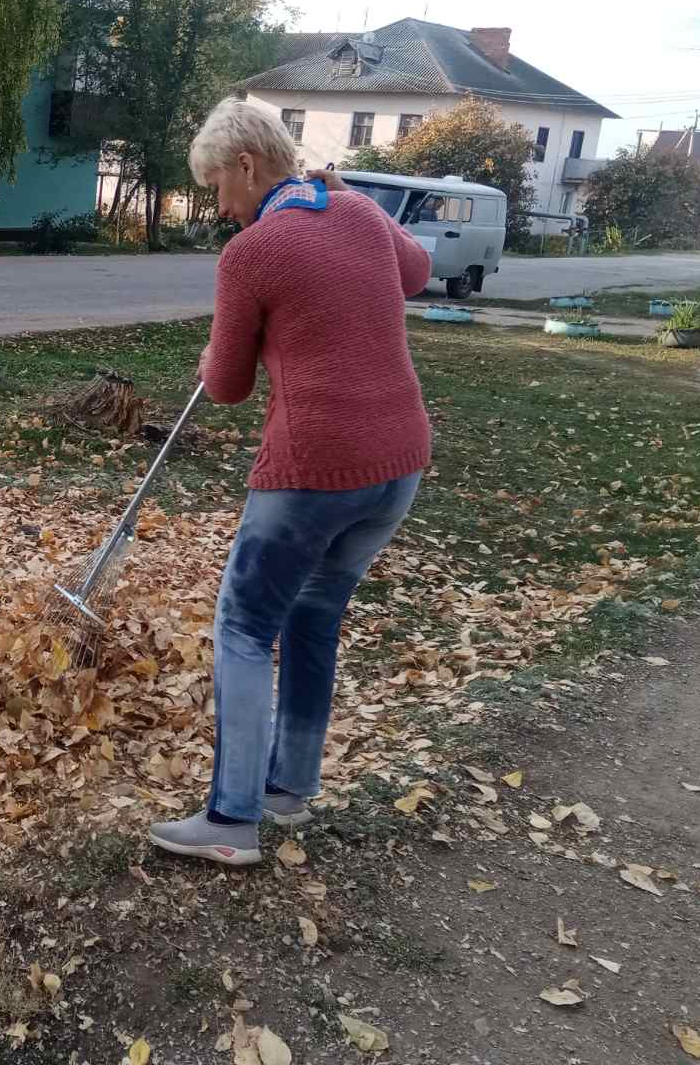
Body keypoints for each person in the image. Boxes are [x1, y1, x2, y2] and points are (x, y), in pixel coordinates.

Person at [149, 97, 432, 865]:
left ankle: (232, 821)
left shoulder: (253, 253)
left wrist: (210, 362)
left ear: (247, 164)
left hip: (314, 470)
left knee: (242, 628)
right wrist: (347, 196)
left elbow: (230, 385)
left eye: (217, 186)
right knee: (314, 614)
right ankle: (290, 792)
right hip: (397, 466)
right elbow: (417, 269)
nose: (218, 206)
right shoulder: (361, 215)